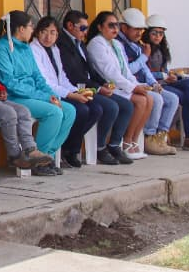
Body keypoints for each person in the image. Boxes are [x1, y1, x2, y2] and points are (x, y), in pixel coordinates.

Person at [0, 10, 75, 173]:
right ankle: (37, 161)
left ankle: (46, 155)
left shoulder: (26, 48)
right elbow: (9, 82)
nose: (32, 30)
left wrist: (51, 95)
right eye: (30, 26)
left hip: (32, 95)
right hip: (13, 97)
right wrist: (45, 97)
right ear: (20, 29)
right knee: (54, 113)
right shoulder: (1, 48)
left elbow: (38, 76)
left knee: (69, 110)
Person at [57, 10, 133, 165]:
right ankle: (94, 147)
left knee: (126, 105)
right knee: (107, 107)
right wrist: (97, 88)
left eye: (86, 28)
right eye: (82, 28)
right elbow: (73, 73)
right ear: (70, 26)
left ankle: (113, 145)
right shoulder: (62, 43)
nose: (85, 32)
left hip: (88, 86)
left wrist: (101, 84)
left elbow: (90, 69)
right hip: (74, 87)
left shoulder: (79, 42)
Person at [0, 38, 54, 171]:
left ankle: (30, 149)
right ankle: (14, 155)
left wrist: (0, 89)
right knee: (9, 113)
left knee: (23, 111)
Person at [29, 15, 102, 169]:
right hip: (46, 93)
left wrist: (77, 91)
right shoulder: (33, 49)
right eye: (44, 32)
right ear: (37, 32)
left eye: (53, 33)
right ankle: (61, 151)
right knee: (80, 110)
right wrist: (70, 95)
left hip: (60, 91)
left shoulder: (55, 50)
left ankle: (62, 149)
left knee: (95, 109)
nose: (48, 37)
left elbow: (62, 77)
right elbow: (45, 82)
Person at [142, 15, 189, 151]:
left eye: (161, 33)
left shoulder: (162, 49)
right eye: (154, 33)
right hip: (153, 84)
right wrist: (163, 75)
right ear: (147, 33)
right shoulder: (144, 49)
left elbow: (164, 70)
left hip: (164, 82)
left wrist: (172, 76)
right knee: (186, 96)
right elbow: (143, 73)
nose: (157, 36)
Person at [86, 10, 155, 159]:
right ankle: (124, 141)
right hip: (108, 86)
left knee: (149, 98)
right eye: (110, 26)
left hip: (121, 84)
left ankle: (134, 141)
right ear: (100, 27)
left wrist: (137, 85)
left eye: (116, 25)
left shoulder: (116, 43)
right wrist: (133, 88)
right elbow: (110, 72)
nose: (115, 29)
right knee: (140, 101)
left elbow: (125, 70)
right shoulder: (96, 44)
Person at [117, 8, 178, 156]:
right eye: (136, 29)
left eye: (141, 30)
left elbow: (144, 70)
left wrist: (154, 83)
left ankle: (160, 136)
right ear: (124, 27)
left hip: (143, 83)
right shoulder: (120, 44)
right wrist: (144, 56)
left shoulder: (136, 44)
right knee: (155, 99)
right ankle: (148, 137)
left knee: (172, 98)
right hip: (126, 85)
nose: (139, 33)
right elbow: (127, 70)